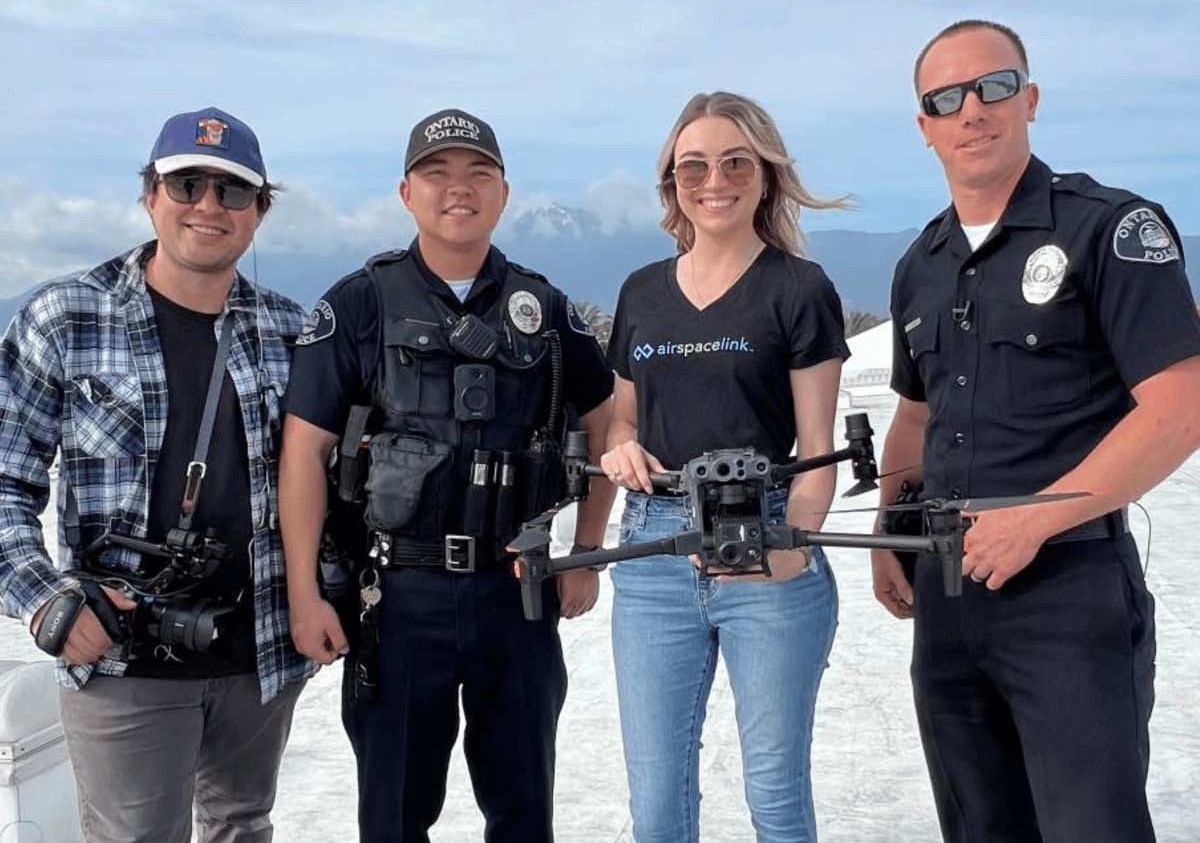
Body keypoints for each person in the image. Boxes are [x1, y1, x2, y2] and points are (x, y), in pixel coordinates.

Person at [871, 18, 1200, 843]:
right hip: (946, 600)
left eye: (995, 86)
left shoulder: (1107, 229)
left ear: (1031, 98)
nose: (972, 109)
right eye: (946, 99)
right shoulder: (922, 263)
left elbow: (1182, 402)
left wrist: (1040, 517)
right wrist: (887, 527)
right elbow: (914, 415)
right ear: (925, 128)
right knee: (980, 827)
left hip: (1068, 591)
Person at [278, 107, 615, 843]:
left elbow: (612, 413)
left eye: (477, 174)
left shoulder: (546, 308)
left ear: (503, 193)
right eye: (437, 173)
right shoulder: (358, 304)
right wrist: (304, 592)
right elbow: (303, 452)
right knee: (395, 816)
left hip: (516, 594)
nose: (457, 189)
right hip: (399, 599)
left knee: (524, 809)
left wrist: (584, 550)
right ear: (406, 193)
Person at [0, 106, 311, 842]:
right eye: (187, 185)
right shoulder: (66, 316)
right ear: (151, 196)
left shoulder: (292, 330)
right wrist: (48, 603)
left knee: (242, 824)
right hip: (119, 655)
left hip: (257, 649)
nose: (208, 206)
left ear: (259, 212)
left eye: (232, 192)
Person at [601, 91, 849, 843]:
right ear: (672, 182)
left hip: (767, 545)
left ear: (766, 175)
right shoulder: (642, 291)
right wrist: (619, 447)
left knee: (774, 794)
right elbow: (622, 417)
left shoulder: (799, 290)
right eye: (694, 166)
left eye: (736, 161)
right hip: (654, 555)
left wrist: (792, 548)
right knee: (657, 801)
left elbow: (815, 452)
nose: (715, 180)